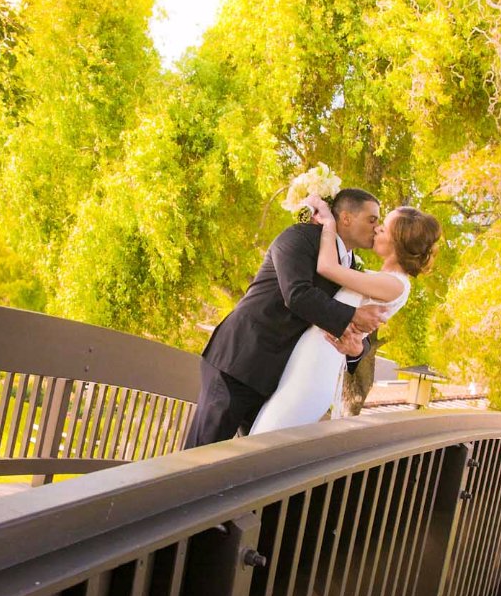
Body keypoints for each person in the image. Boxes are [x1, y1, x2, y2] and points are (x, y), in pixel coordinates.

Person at [184, 188, 390, 447]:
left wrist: (358, 349)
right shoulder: (299, 237)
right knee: (200, 453)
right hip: (239, 361)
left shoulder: (349, 266)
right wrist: (354, 315)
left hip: (279, 378)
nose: (377, 227)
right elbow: (296, 294)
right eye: (372, 219)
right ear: (346, 218)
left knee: (252, 459)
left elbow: (355, 326)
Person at [247, 195, 441, 434]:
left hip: (315, 364)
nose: (377, 229)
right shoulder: (380, 278)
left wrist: (329, 222)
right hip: (307, 355)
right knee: (266, 431)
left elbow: (327, 268)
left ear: (397, 243)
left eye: (384, 227)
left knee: (270, 433)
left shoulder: (394, 284)